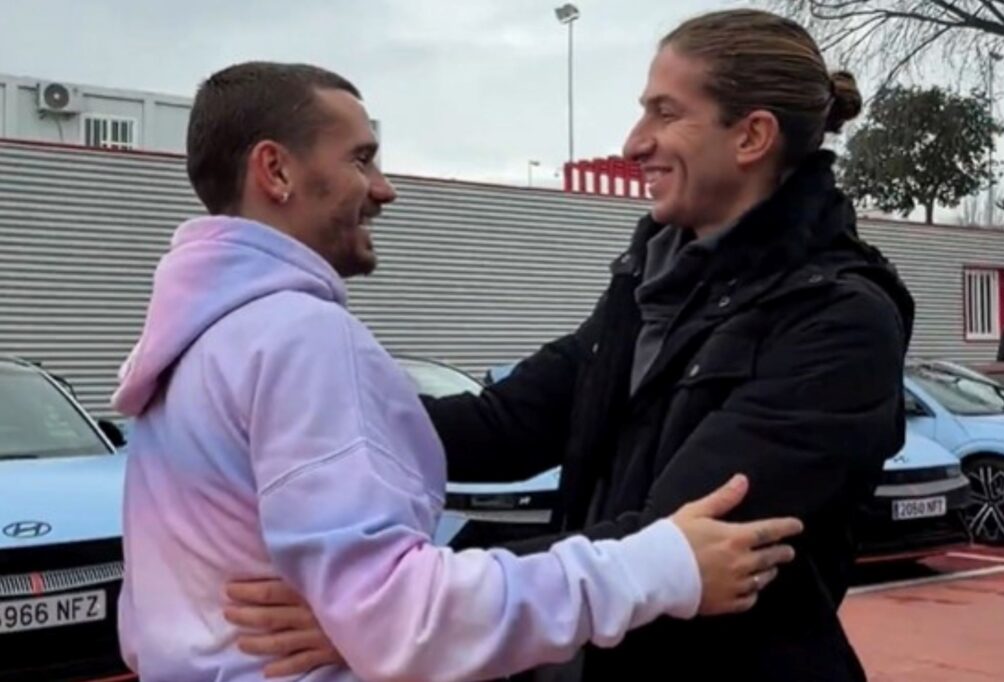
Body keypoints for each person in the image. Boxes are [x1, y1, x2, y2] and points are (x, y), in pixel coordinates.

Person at [224, 9, 916, 682]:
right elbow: (503, 426)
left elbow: (670, 540)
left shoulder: (838, 320)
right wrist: (286, 403)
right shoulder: (650, 284)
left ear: (752, 136)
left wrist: (397, 611)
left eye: (665, 112)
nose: (634, 141)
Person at [112, 60, 804, 682]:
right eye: (361, 158)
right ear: (276, 171)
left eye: (665, 111)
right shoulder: (299, 337)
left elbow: (499, 427)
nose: (384, 189)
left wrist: (356, 614)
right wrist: (661, 566)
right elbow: (401, 620)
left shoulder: (194, 341)